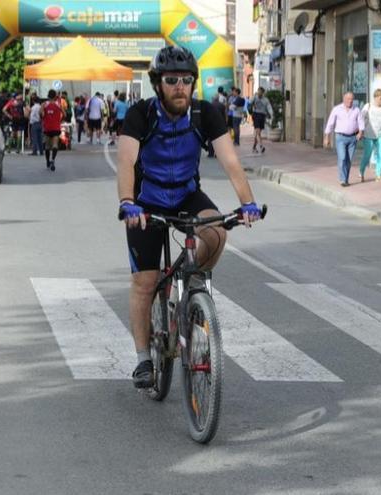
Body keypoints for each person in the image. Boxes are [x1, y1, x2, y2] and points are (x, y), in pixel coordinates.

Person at [116, 46, 261, 388]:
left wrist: (248, 203)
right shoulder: (140, 114)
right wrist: (127, 201)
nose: (180, 86)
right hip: (146, 201)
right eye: (171, 80)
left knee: (218, 231)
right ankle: (143, 359)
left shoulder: (204, 113)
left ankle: (190, 286)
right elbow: (125, 162)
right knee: (145, 283)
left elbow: (230, 161)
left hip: (185, 194)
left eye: (186, 80)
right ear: (157, 84)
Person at [323, 92, 364, 187]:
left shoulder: (356, 110)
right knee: (342, 158)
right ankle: (342, 179)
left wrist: (360, 133)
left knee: (348, 160)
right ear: (344, 99)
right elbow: (330, 123)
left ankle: (346, 179)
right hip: (340, 137)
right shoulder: (337, 109)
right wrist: (327, 137)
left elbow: (361, 122)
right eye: (348, 99)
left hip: (353, 138)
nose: (350, 101)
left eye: (351, 99)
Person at [359, 88, 381, 183]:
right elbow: (361, 118)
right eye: (380, 98)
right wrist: (360, 130)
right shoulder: (368, 106)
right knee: (367, 155)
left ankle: (378, 175)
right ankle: (361, 171)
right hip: (368, 134)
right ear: (375, 97)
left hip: (380, 135)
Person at [41, 89, 65, 171]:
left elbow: (41, 114)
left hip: (47, 128)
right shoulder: (58, 104)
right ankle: (53, 160)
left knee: (47, 146)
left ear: (48, 95)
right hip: (56, 127)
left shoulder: (44, 104)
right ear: (55, 96)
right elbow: (64, 114)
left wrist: (44, 118)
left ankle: (47, 161)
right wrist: (59, 120)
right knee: (55, 145)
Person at [249, 87, 273, 154]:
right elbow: (250, 102)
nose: (259, 93)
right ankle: (261, 146)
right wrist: (253, 97)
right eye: (258, 91)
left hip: (262, 116)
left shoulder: (266, 100)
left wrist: (271, 114)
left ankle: (254, 147)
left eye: (260, 92)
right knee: (258, 131)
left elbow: (269, 107)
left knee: (257, 133)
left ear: (263, 93)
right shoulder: (255, 97)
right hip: (256, 115)